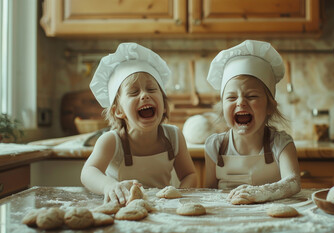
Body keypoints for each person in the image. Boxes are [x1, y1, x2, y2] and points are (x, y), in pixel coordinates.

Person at [81, 43, 197, 205]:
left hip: (162, 210)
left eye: (151, 89)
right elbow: (88, 172)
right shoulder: (111, 141)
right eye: (134, 92)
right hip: (124, 208)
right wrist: (109, 186)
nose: (144, 95)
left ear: (163, 104)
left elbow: (189, 175)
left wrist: (179, 195)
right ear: (118, 111)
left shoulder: (173, 136)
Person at [203, 40, 301, 205]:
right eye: (231, 97)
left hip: (269, 219)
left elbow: (293, 182)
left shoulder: (281, 144)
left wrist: (261, 192)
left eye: (252, 96)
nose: (240, 102)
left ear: (270, 106)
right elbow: (208, 193)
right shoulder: (215, 146)